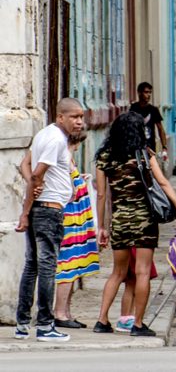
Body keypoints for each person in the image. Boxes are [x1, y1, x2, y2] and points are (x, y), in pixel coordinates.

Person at [93, 112, 176, 337]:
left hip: (120, 221)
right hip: (144, 221)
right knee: (142, 272)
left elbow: (102, 196)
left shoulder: (105, 156)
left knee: (117, 272)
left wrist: (102, 227)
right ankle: (138, 324)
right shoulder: (144, 154)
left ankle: (102, 320)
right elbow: (162, 182)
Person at [14, 98, 84, 342]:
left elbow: (24, 166)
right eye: (74, 117)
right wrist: (29, 200)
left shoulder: (44, 134)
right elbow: (35, 173)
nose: (79, 122)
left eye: (81, 117)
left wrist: (34, 187)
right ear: (60, 117)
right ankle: (45, 325)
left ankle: (22, 323)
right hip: (49, 211)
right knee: (46, 267)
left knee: (31, 266)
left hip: (40, 208)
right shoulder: (55, 140)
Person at [52, 131, 100, 329]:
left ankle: (66, 312)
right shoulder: (62, 157)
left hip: (77, 219)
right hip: (70, 220)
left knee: (74, 267)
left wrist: (80, 178)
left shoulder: (68, 157)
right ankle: (60, 313)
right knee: (67, 267)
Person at [130, 82, 167, 163]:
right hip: (135, 147)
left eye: (150, 92)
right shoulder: (133, 108)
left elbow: (160, 129)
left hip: (150, 147)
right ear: (139, 93)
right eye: (146, 92)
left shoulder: (153, 110)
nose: (149, 95)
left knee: (150, 171)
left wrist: (164, 147)